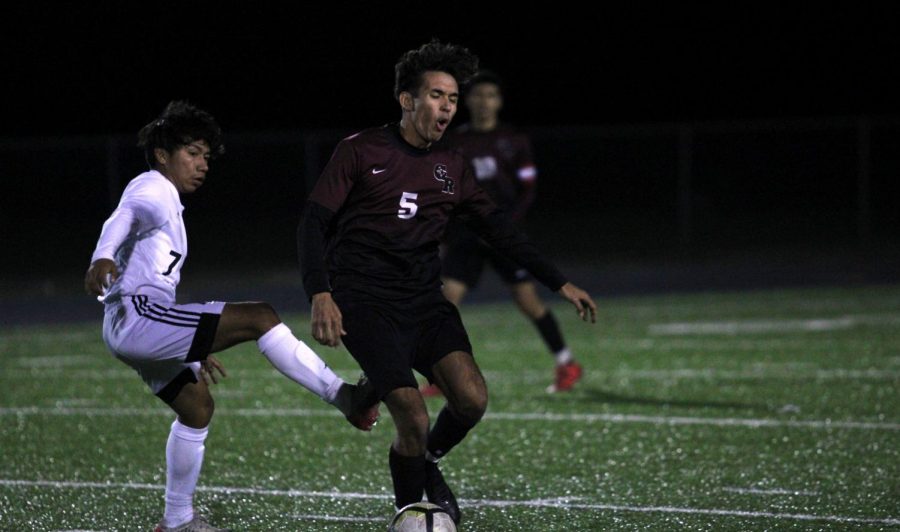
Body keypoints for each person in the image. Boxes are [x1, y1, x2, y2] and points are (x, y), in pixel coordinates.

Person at [297, 40, 596, 525]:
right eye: (437, 95)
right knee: (412, 417)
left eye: (453, 99)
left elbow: (499, 229)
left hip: (423, 302)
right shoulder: (360, 150)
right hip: (365, 301)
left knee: (472, 399)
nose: (447, 107)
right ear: (407, 100)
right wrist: (320, 292)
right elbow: (312, 223)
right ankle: (411, 510)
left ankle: (424, 461)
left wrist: (559, 282)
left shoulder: (451, 167)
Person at [84, 101, 379, 532]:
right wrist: (101, 257)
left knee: (197, 407)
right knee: (261, 316)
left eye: (206, 156)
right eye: (192, 153)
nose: (202, 164)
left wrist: (192, 343)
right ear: (163, 154)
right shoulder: (152, 188)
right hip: (137, 317)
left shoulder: (171, 205)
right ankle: (345, 398)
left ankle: (178, 520)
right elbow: (123, 216)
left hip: (136, 323)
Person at [427, 70, 583, 395]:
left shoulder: (514, 140)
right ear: (468, 101)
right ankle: (442, 376)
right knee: (446, 303)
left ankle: (566, 363)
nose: (484, 102)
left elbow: (528, 189)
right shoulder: (456, 141)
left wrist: (505, 224)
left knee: (527, 300)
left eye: (490, 96)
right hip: (467, 235)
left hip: (503, 236)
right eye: (478, 96)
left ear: (498, 102)